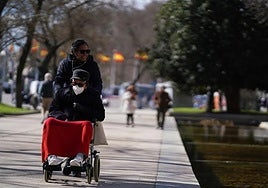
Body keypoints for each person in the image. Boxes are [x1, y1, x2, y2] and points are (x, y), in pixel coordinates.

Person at [47, 69, 105, 170]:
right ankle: (51, 156)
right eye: (75, 82)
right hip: (65, 125)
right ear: (71, 81)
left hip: (81, 126)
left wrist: (82, 108)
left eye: (80, 84)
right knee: (49, 122)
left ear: (86, 84)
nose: (77, 86)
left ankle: (80, 156)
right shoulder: (62, 93)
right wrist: (62, 117)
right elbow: (53, 110)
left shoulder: (93, 95)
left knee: (87, 124)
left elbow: (101, 115)